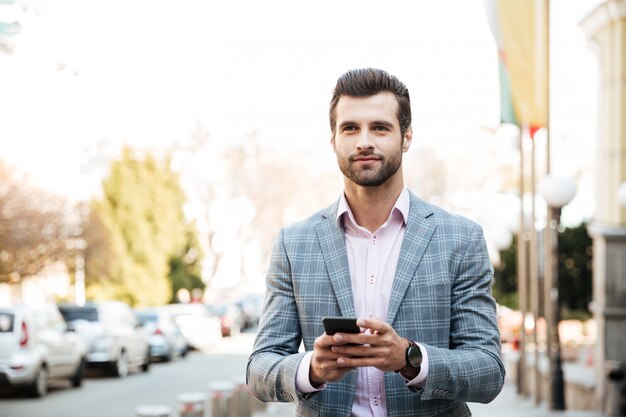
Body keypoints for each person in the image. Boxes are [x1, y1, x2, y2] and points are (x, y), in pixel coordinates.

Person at [247, 68, 505, 417]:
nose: (364, 141)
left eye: (380, 128)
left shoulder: (461, 239)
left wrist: (409, 358)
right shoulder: (294, 244)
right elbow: (260, 368)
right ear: (333, 140)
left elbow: (489, 372)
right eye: (350, 128)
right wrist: (311, 368)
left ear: (407, 137)